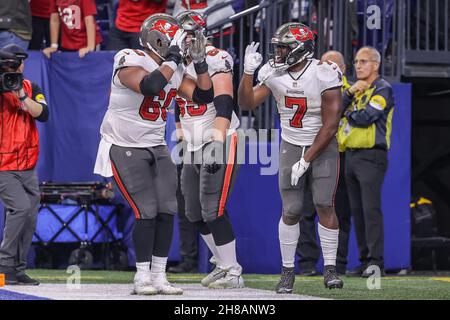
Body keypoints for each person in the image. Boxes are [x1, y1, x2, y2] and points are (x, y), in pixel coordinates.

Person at [94, 13, 214, 295]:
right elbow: (149, 86)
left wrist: (200, 63)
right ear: (158, 39)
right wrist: (173, 61)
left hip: (157, 145)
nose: (180, 45)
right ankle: (142, 277)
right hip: (124, 145)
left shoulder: (174, 67)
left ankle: (159, 276)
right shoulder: (129, 56)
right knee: (145, 210)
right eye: (175, 40)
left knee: (167, 209)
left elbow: (204, 97)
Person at [238, 22, 344, 292]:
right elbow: (247, 103)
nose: (279, 53)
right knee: (291, 210)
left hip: (322, 144)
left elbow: (331, 125)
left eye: (284, 47)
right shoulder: (273, 72)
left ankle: (330, 269)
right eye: (278, 47)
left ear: (300, 49)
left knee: (323, 203)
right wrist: (248, 72)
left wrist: (307, 159)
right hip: (290, 143)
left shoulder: (324, 72)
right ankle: (287, 271)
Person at [173, 11, 243, 289]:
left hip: (219, 137)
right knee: (192, 211)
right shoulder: (174, 62)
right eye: (183, 33)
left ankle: (234, 271)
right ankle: (222, 263)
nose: (186, 39)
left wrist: (216, 142)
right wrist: (180, 136)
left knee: (213, 208)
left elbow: (224, 102)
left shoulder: (217, 57)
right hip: (191, 142)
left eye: (191, 33)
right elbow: (177, 104)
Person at [338, 46, 394, 278]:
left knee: (370, 210)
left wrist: (347, 113)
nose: (358, 66)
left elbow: (367, 117)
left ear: (375, 65)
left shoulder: (383, 88)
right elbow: (334, 109)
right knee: (357, 211)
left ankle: (376, 263)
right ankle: (363, 260)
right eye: (356, 62)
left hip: (371, 156)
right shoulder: (356, 88)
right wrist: (349, 94)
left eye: (364, 61)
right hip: (350, 155)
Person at [296, 50, 353, 276]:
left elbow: (337, 113)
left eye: (331, 63)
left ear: (343, 69)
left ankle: (338, 264)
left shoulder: (352, 90)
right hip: (309, 149)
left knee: (336, 209)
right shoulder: (312, 83)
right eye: (323, 62)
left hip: (337, 153)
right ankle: (307, 263)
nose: (324, 66)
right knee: (305, 209)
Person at [0, 44, 50, 285]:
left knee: (29, 215)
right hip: (3, 165)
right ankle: (3, 265)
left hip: (28, 165)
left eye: (17, 63)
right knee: (19, 208)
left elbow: (43, 113)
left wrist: (21, 94)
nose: (16, 68)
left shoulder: (31, 87)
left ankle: (17, 269)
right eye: (9, 64)